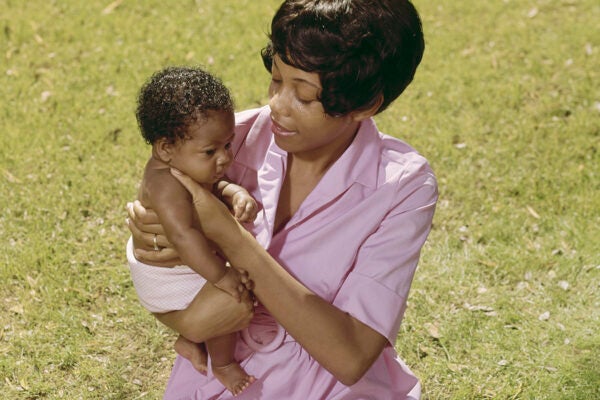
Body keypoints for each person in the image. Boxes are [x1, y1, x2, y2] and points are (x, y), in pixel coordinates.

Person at [127, 0, 438, 398]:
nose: (276, 103)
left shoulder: (401, 186)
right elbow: (161, 254)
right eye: (276, 79)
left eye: (303, 96)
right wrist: (148, 243)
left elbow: (351, 357)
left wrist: (229, 237)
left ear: (364, 105)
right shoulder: (224, 139)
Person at [127, 66, 258, 396]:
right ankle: (224, 363)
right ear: (166, 148)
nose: (225, 158)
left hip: (177, 266)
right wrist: (221, 276)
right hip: (167, 275)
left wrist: (233, 192)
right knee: (233, 296)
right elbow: (184, 236)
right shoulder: (165, 186)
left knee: (229, 287)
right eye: (211, 151)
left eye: (228, 145)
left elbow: (211, 188)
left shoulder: (182, 163)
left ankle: (190, 340)